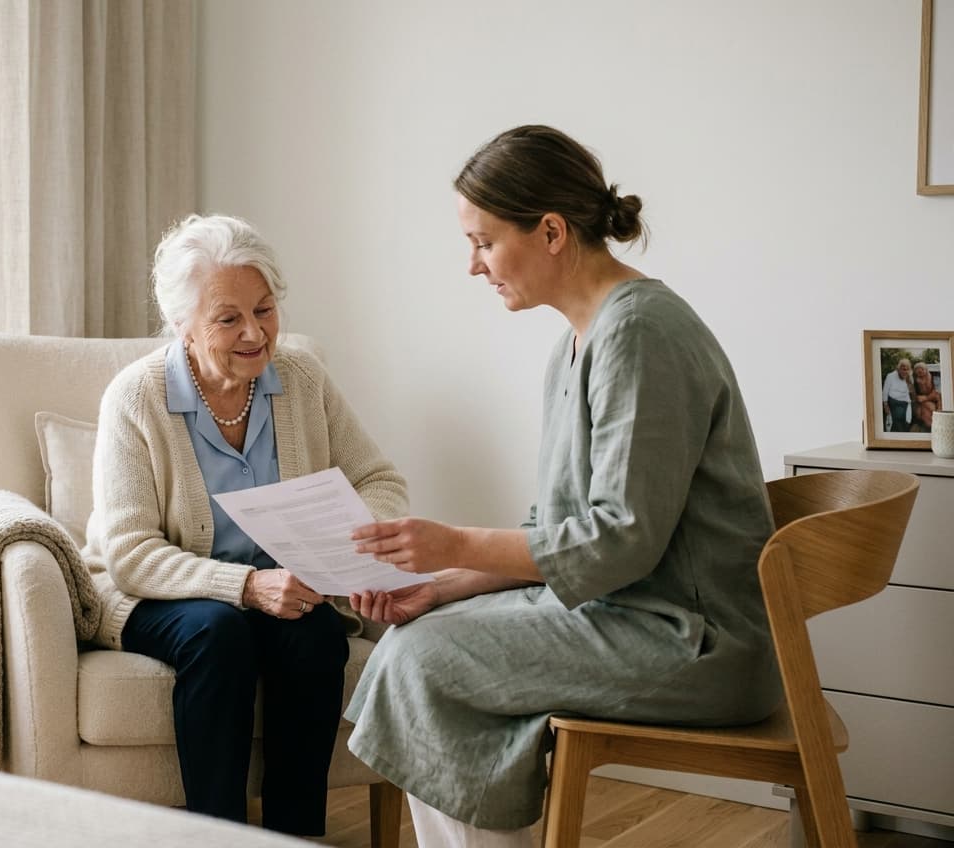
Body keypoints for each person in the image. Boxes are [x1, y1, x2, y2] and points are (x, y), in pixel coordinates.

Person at [341, 125, 783, 847]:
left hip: (696, 643)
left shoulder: (642, 335)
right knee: (415, 637)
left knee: (424, 662)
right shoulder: (579, 344)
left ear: (551, 231)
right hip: (636, 618)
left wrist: (449, 543)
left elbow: (618, 542)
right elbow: (558, 527)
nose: (474, 266)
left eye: (484, 242)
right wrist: (445, 582)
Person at [84, 213, 408, 837]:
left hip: (286, 588)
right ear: (182, 324)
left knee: (315, 635)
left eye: (264, 309)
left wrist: (336, 545)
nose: (255, 333)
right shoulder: (137, 396)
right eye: (228, 318)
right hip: (160, 595)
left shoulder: (303, 379)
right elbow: (127, 551)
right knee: (218, 632)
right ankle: (218, 836)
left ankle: (296, 835)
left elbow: (381, 481)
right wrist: (248, 588)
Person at [883, 358, 913, 432]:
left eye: (907, 369)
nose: (905, 371)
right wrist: (885, 405)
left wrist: (908, 381)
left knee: (906, 422)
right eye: (903, 369)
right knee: (898, 419)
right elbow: (885, 391)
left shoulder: (909, 377)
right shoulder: (890, 376)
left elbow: (911, 391)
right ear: (898, 369)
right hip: (894, 401)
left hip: (905, 402)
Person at [912, 361, 941, 432]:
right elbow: (916, 398)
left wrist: (926, 398)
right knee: (922, 411)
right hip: (924, 404)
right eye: (918, 372)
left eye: (922, 370)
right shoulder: (915, 381)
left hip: (936, 402)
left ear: (926, 371)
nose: (920, 372)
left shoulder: (934, 377)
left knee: (930, 410)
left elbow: (937, 394)